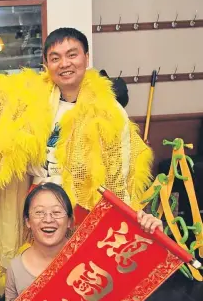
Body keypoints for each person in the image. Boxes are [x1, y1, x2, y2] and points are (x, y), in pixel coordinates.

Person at [5, 183, 163, 301]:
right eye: (39, 212)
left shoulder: (93, 255)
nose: (48, 219)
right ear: (28, 221)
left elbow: (138, 275)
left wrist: (151, 234)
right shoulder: (16, 267)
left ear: (70, 221)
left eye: (57, 212)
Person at [29, 27, 152, 225]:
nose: (64, 64)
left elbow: (118, 174)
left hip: (85, 208)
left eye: (72, 55)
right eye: (55, 58)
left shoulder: (109, 110)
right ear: (46, 64)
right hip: (39, 206)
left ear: (86, 57)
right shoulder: (32, 103)